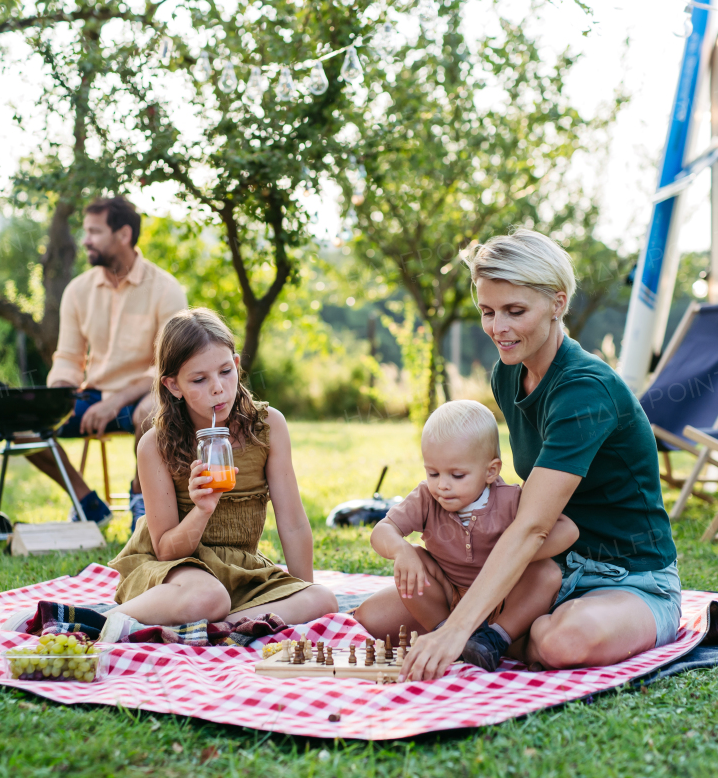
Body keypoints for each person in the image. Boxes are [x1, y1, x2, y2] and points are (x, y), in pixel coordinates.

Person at [400, 228, 681, 682]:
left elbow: (532, 525)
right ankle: (506, 635)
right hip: (554, 569)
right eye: (488, 312)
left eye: (515, 311)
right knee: (385, 617)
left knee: (559, 643)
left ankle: (507, 636)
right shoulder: (508, 375)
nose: (498, 328)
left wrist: (457, 628)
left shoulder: (584, 390)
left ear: (557, 302)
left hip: (630, 578)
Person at [106, 308, 338, 626]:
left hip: (240, 573)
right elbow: (166, 552)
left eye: (225, 372)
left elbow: (294, 524)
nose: (218, 388)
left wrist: (302, 591)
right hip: (176, 573)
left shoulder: (269, 427)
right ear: (174, 386)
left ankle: (220, 626)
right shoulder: (154, 445)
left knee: (322, 600)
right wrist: (201, 510)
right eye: (199, 379)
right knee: (209, 597)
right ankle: (98, 620)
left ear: (237, 366)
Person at [352, 400, 577, 671]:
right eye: (433, 472)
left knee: (546, 574)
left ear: (491, 471)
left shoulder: (511, 499)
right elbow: (382, 531)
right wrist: (401, 551)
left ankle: (495, 638)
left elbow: (568, 530)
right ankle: (446, 634)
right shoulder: (426, 497)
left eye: (457, 475)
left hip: (504, 601)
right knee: (370, 616)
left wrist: (512, 553)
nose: (442, 485)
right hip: (448, 598)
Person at [29, 196, 187, 528]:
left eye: (94, 231)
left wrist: (115, 402)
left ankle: (141, 498)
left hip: (143, 398)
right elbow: (69, 358)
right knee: (23, 423)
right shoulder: (77, 290)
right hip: (91, 396)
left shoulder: (166, 289)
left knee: (153, 412)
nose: (84, 240)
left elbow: (167, 367)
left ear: (123, 235)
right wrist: (59, 395)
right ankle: (87, 502)